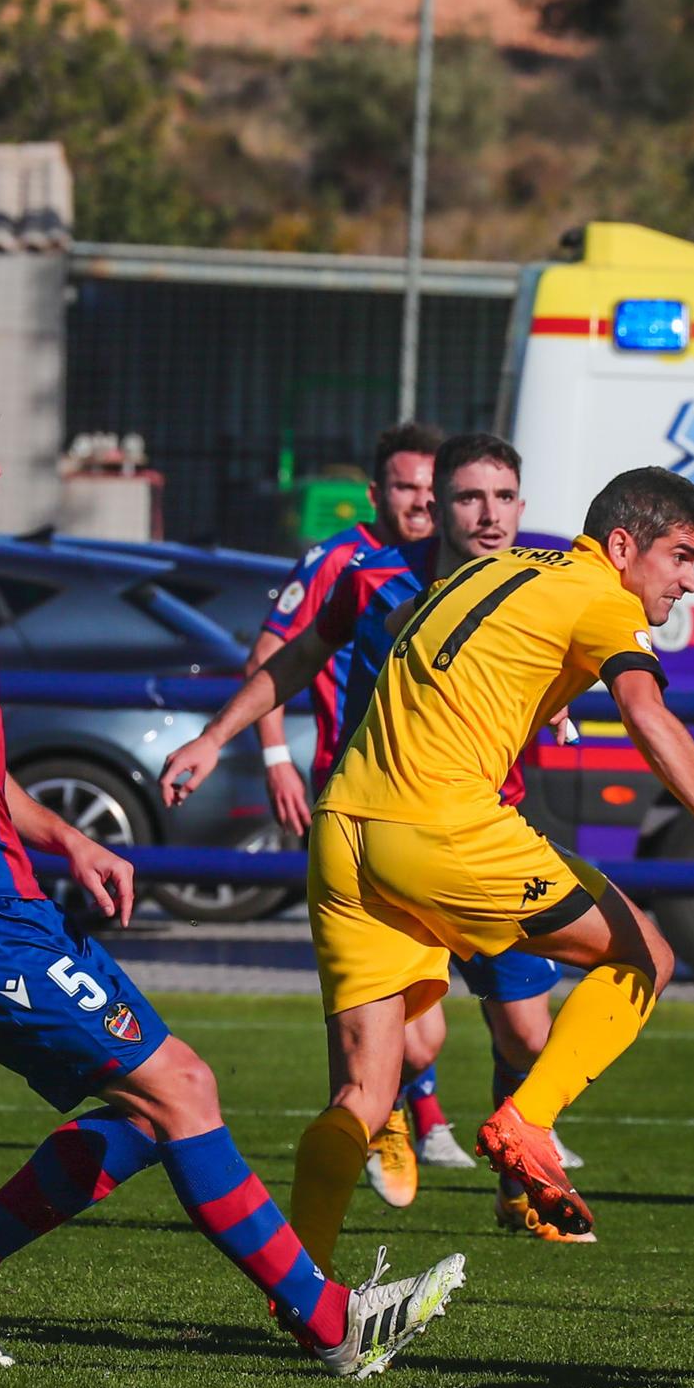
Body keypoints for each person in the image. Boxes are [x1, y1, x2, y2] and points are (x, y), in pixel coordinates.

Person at [0, 368, 463, 1376]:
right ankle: (334, 1322)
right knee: (180, 1085)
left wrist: (68, 838)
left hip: (14, 902)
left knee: (151, 1107)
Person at [162, 465, 694, 1247]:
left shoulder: (492, 568)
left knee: (363, 1090)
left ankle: (301, 1286)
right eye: (682, 556)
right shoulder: (602, 597)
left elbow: (424, 651)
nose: (688, 581)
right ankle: (528, 1121)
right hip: (443, 826)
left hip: (345, 828)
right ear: (623, 546)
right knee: (645, 955)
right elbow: (646, 713)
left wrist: (529, 694)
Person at [236, 431, 591, 1248]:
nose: (480, 513)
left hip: (487, 830)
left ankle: (515, 1173)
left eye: (501, 498)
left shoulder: (531, 579)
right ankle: (386, 1118)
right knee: (414, 1036)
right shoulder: (365, 579)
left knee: (530, 1032)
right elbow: (285, 656)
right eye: (460, 496)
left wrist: (558, 695)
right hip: (382, 828)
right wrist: (257, 745)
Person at [247, 422, 475, 1199]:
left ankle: (407, 1111)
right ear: (379, 495)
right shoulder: (343, 564)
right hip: (351, 798)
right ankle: (376, 1119)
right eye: (406, 487)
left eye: (428, 487)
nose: (419, 500)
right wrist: (275, 755)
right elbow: (277, 655)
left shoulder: (462, 564)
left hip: (438, 807)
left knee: (426, 1027)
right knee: (367, 1005)